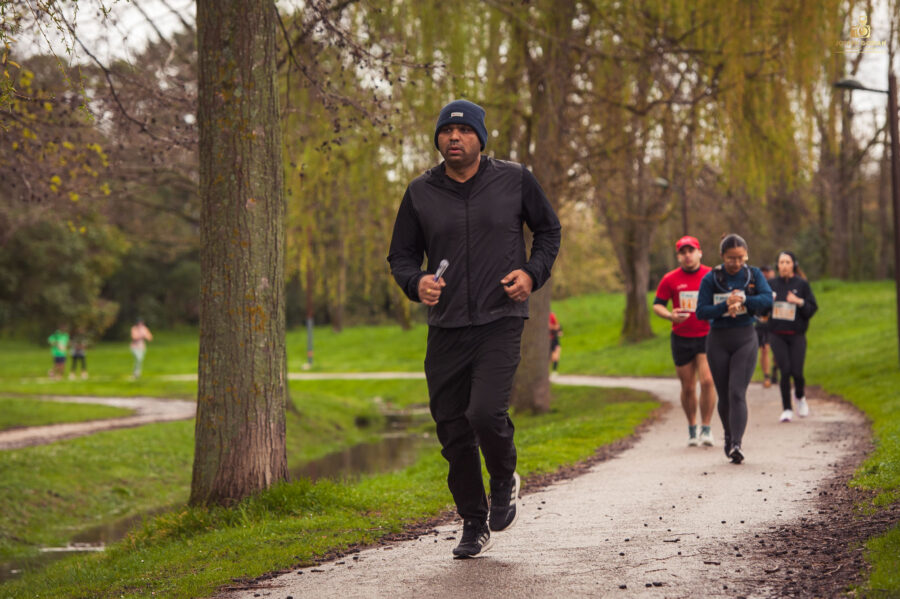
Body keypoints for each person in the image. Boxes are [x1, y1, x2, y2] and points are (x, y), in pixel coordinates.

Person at [387, 99, 561, 559]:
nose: (454, 138)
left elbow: (549, 231)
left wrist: (532, 274)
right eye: (447, 131)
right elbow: (401, 256)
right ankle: (472, 520)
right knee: (451, 428)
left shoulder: (515, 179)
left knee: (484, 412)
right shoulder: (420, 192)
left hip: (500, 317)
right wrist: (416, 282)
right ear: (438, 139)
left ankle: (503, 478)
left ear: (480, 138)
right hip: (446, 326)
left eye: (464, 131)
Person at [696, 234, 773, 464]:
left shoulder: (754, 275)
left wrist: (744, 300)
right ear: (722, 256)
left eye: (740, 257)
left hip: (745, 338)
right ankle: (729, 436)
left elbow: (767, 300)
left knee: (737, 391)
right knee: (725, 395)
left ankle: (737, 444)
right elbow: (701, 311)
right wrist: (724, 305)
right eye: (731, 258)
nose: (736, 263)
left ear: (746, 255)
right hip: (718, 340)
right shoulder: (712, 278)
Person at [653, 235, 716, 447]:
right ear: (678, 256)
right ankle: (692, 427)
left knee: (707, 381)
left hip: (707, 334)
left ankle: (706, 428)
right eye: (683, 252)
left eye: (691, 251)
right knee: (688, 387)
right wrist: (670, 315)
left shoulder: (711, 275)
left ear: (700, 253)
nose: (688, 255)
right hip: (681, 337)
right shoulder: (670, 279)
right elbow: (657, 304)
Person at [768, 251, 818, 422]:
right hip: (777, 335)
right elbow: (761, 309)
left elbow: (812, 308)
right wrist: (767, 302)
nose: (784, 266)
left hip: (797, 334)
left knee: (797, 372)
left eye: (787, 262)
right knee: (785, 371)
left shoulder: (802, 284)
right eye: (781, 262)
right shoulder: (771, 284)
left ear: (794, 265)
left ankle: (800, 396)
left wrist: (799, 301)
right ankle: (787, 408)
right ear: (777, 265)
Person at [755, 265, 776, 388]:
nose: (765, 274)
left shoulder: (777, 286)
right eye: (763, 272)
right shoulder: (756, 286)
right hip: (760, 323)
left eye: (767, 272)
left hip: (775, 323)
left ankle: (775, 369)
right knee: (764, 349)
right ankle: (767, 376)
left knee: (776, 350)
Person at [549, 311, 562, 376]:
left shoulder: (551, 315)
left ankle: (554, 371)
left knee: (556, 354)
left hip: (554, 339)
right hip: (548, 339)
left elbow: (557, 326)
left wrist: (552, 327)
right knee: (550, 357)